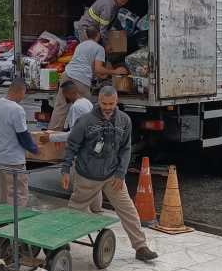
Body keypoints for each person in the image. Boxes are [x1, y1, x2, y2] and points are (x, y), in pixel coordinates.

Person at [61, 86, 157, 261]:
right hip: (86, 176)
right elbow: (71, 146)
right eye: (104, 103)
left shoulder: (124, 120)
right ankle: (61, 243)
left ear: (116, 100)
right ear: (98, 101)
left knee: (128, 210)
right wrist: (65, 170)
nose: (107, 107)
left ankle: (141, 247)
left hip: (113, 176)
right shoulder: (85, 121)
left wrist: (121, 174)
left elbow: (126, 149)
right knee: (74, 211)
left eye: (111, 103)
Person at [49, 26, 126, 130]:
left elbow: (94, 70)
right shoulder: (99, 48)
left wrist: (104, 73)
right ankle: (85, 135)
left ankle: (52, 135)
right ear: (98, 35)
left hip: (66, 74)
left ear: (86, 35)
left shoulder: (80, 45)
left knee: (60, 107)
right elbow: (98, 69)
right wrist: (115, 72)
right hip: (80, 79)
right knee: (86, 108)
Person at [41, 81, 100, 213]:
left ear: (68, 93)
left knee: (80, 187)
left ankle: (82, 216)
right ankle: (97, 210)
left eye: (63, 94)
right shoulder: (86, 102)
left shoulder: (76, 107)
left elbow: (74, 134)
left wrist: (50, 137)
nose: (63, 98)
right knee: (95, 183)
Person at [0, 79, 39, 206]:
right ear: (20, 91)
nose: (23, 97)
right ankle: (17, 222)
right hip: (13, 160)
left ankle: (4, 220)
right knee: (19, 194)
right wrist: (35, 149)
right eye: (24, 93)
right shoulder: (17, 110)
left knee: (5, 192)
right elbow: (23, 136)